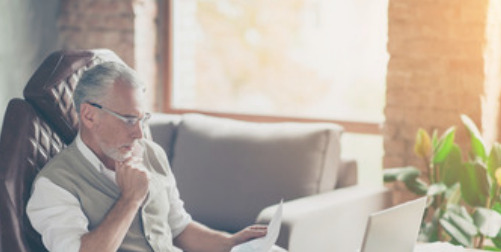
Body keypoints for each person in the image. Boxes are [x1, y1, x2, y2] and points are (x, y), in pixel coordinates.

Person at [26, 61, 269, 252]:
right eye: (129, 120)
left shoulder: (151, 153)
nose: (139, 133)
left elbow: (178, 227)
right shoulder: (54, 185)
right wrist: (130, 199)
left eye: (142, 119)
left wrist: (231, 243)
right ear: (89, 116)